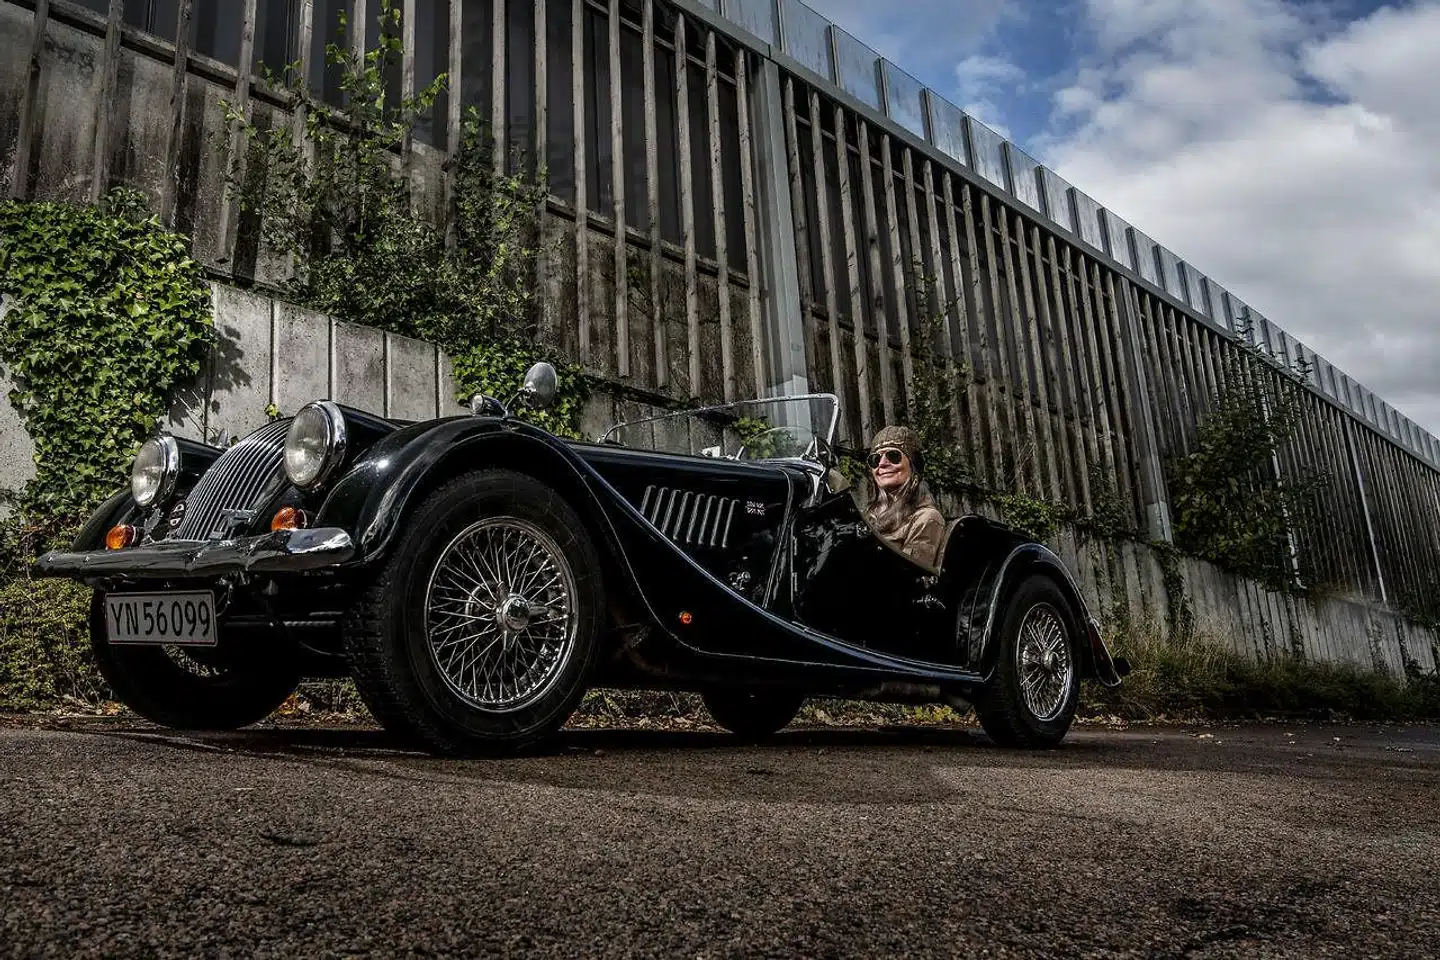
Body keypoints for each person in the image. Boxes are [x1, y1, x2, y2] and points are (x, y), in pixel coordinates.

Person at [864, 425, 945, 569]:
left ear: (914, 466)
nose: (882, 464)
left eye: (893, 456)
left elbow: (907, 577)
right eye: (875, 459)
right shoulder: (867, 517)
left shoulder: (926, 519)